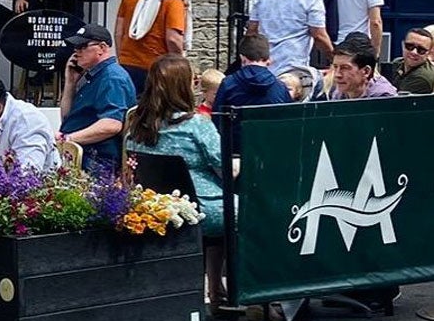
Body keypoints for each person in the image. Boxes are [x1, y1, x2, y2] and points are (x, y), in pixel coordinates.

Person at [126, 54, 225, 304]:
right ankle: (251, 296)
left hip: (157, 207)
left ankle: (215, 288)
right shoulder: (197, 125)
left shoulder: (137, 126)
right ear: (185, 86)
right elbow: (222, 165)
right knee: (248, 212)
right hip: (201, 207)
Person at [57, 24, 136, 172]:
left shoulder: (112, 78)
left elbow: (111, 125)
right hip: (82, 156)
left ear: (102, 47)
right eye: (75, 47)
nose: (76, 52)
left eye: (82, 46)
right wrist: (70, 83)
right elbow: (67, 118)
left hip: (97, 161)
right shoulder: (95, 77)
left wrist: (67, 139)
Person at [114, 0, 190, 91]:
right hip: (158, 67)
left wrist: (123, 57)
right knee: (157, 110)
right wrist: (180, 64)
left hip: (128, 64)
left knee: (132, 109)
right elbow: (173, 38)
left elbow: (119, 32)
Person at [212, 32, 291, 147]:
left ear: (242, 58)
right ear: (268, 59)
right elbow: (287, 123)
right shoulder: (280, 87)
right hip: (270, 150)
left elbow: (217, 119)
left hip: (235, 152)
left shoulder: (228, 84)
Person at [328, 36, 397, 100]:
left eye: (345, 68)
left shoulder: (383, 98)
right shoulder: (339, 92)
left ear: (366, 71)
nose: (337, 75)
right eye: (335, 67)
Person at [392, 25, 434, 94]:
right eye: (409, 46)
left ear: (428, 53)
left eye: (421, 50)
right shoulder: (398, 62)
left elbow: (395, 102)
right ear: (403, 45)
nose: (414, 52)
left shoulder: (422, 78)